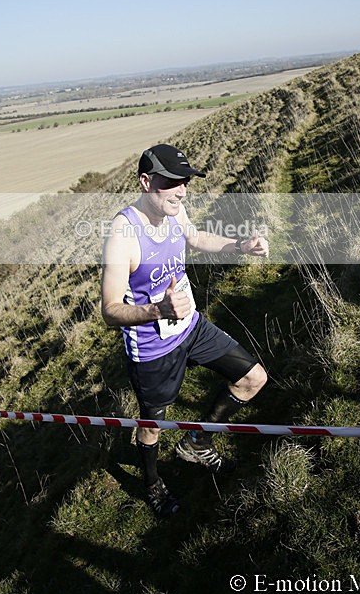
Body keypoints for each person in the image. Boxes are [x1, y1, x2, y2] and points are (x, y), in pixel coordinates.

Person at [101, 143, 268, 517]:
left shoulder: (174, 210)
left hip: (191, 327)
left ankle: (197, 441)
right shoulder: (124, 233)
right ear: (146, 182)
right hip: (152, 349)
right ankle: (152, 483)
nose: (182, 190)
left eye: (186, 182)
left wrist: (239, 245)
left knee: (253, 378)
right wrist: (156, 309)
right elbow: (110, 311)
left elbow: (196, 238)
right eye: (172, 182)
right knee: (152, 424)